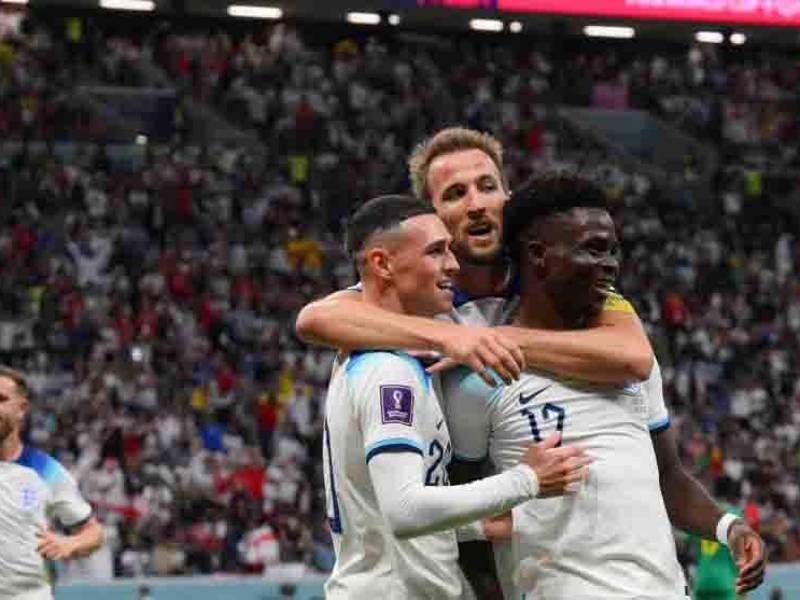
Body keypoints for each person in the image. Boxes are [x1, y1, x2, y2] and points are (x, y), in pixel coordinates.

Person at [296, 126, 654, 595]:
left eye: (487, 187)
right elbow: (315, 319)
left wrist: (492, 338)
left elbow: (633, 356)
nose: (476, 203)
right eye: (455, 194)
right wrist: (451, 340)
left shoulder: (554, 278)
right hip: (448, 544)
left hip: (548, 538)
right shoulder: (418, 304)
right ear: (431, 216)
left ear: (507, 195)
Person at [441, 174, 766, 599]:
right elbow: (461, 511)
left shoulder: (628, 358)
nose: (611, 264)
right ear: (538, 254)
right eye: (593, 249)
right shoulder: (480, 377)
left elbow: (668, 474)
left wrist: (729, 527)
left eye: (613, 249)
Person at [323, 195, 591, 600]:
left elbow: (378, 510)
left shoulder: (383, 362)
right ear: (382, 264)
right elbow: (404, 510)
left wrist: (477, 525)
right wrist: (528, 480)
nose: (453, 264)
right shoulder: (387, 374)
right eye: (436, 251)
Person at [0, 365, 104, 600]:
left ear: (21, 409)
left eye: (1, 399)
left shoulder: (45, 470)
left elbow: (94, 532)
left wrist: (70, 543)